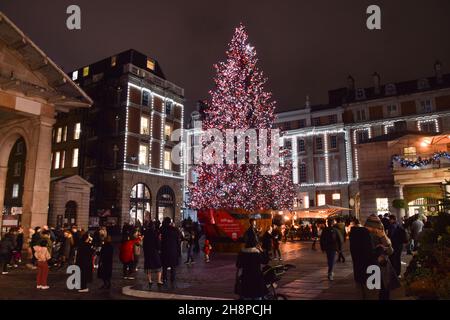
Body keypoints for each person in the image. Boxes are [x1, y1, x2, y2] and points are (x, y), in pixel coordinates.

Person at [365, 214, 398, 300]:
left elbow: (390, 251)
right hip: (376, 267)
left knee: (381, 291)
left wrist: (383, 237)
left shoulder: (380, 235)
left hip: (380, 267)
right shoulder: (368, 236)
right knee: (379, 291)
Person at [235, 227, 269, 300]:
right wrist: (261, 250)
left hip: (246, 279)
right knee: (257, 297)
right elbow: (265, 261)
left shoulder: (242, 253)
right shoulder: (256, 253)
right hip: (257, 278)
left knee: (246, 297)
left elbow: (238, 265)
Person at [349, 219, 373, 299]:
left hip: (356, 256)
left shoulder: (352, 232)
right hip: (365, 258)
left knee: (358, 272)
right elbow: (368, 246)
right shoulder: (365, 232)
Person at [160, 217, 181, 288]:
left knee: (164, 266)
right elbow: (178, 241)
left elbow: (160, 241)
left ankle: (165, 278)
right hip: (173, 250)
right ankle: (172, 278)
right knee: (173, 266)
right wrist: (178, 251)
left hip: (164, 250)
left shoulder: (162, 229)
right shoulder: (175, 230)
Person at [143, 221, 163, 288]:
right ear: (153, 226)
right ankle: (159, 280)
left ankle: (150, 281)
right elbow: (158, 243)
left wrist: (145, 251)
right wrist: (159, 249)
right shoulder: (155, 233)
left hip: (148, 252)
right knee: (159, 266)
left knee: (148, 266)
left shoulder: (146, 233)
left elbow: (144, 244)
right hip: (154, 252)